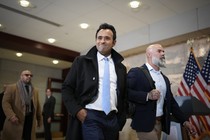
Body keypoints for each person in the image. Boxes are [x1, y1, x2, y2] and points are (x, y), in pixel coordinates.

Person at [62, 23, 127, 140]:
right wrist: (77, 111)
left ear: (114, 42)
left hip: (113, 119)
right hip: (91, 116)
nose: (102, 41)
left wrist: (120, 120)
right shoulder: (81, 62)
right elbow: (66, 88)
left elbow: (123, 95)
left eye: (107, 38)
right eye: (99, 38)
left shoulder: (121, 68)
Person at [127, 44, 197, 140]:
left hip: (160, 123)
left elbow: (171, 102)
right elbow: (125, 93)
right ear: (149, 54)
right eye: (159, 51)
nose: (163, 53)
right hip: (144, 124)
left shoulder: (164, 78)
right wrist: (147, 95)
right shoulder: (136, 72)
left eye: (163, 51)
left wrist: (185, 121)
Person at [2, 70, 42, 140]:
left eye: (31, 75)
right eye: (26, 75)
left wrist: (39, 119)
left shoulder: (34, 90)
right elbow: (5, 103)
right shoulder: (12, 88)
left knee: (28, 137)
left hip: (30, 120)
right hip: (17, 119)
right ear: (21, 76)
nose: (29, 76)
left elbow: (37, 106)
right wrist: (11, 116)